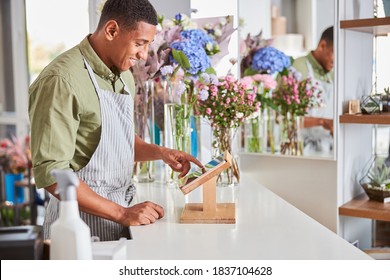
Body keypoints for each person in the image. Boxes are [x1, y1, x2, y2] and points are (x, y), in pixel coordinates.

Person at [28, 0, 203, 241]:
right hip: (77, 226)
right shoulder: (61, 80)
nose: (143, 55)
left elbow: (116, 139)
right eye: (139, 43)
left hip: (121, 215)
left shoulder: (123, 76)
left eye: (148, 44)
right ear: (111, 30)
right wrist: (121, 213)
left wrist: (160, 152)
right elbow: (53, 174)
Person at [292, 26, 334, 156]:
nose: (336, 61)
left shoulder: (331, 74)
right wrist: (322, 122)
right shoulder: (298, 67)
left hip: (327, 150)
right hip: (301, 149)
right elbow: (285, 118)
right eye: (335, 53)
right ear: (322, 45)